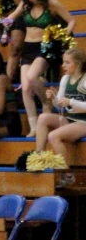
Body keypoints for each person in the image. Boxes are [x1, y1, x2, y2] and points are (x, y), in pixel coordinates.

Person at [5, 0, 76, 136]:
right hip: (28, 47)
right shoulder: (25, 4)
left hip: (43, 47)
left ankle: (45, 103)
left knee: (31, 77)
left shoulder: (51, 4)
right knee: (26, 88)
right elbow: (13, 15)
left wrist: (62, 35)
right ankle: (34, 126)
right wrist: (5, 21)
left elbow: (71, 20)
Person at [38, 48, 86, 188]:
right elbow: (60, 106)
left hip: (83, 121)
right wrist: (53, 98)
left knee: (53, 136)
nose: (63, 66)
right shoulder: (65, 79)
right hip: (70, 118)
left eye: (67, 62)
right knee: (42, 118)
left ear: (77, 64)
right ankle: (38, 158)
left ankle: (68, 175)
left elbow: (69, 103)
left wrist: (71, 102)